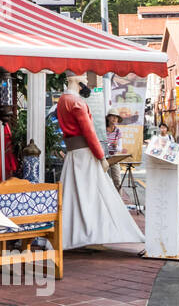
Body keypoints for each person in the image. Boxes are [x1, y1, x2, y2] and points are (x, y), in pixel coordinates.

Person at [55, 81, 143, 249]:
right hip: (86, 155)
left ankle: (78, 234)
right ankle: (93, 234)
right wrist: (101, 156)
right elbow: (89, 132)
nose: (87, 80)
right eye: (84, 76)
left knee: (74, 196)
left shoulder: (62, 101)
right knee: (95, 196)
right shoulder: (77, 102)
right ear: (76, 79)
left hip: (73, 154)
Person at [104, 112, 124, 188]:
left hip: (114, 159)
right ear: (108, 118)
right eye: (113, 116)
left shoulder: (118, 131)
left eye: (116, 117)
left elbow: (120, 148)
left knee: (117, 182)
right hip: (103, 159)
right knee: (106, 182)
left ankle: (119, 199)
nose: (115, 118)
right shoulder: (102, 129)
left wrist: (116, 146)